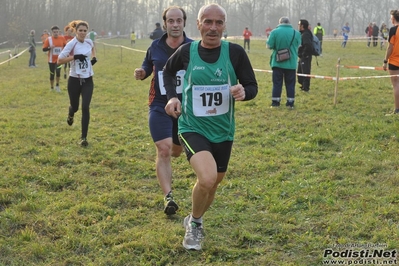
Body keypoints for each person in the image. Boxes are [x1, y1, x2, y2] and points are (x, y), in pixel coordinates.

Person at [163, 3, 258, 250]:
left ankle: (194, 218)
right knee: (206, 178)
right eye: (208, 22)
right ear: (198, 24)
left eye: (218, 23)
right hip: (192, 126)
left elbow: (252, 86)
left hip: (223, 131)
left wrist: (243, 92)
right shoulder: (187, 51)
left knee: (213, 183)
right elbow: (167, 71)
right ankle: (195, 225)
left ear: (224, 26)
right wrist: (172, 97)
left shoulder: (235, 53)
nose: (213, 28)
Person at [134, 6, 193, 215]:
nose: (175, 25)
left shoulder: (193, 47)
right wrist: (142, 72)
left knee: (176, 151)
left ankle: (175, 149)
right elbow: (148, 66)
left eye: (179, 21)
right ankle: (168, 196)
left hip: (185, 106)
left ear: (184, 22)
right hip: (159, 104)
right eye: (171, 21)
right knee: (164, 149)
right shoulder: (155, 46)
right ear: (165, 23)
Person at [57, 20, 97, 146]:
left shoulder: (89, 41)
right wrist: (74, 57)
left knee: (85, 107)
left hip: (88, 80)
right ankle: (71, 112)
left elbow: (92, 48)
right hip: (74, 80)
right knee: (75, 106)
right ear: (76, 31)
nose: (83, 33)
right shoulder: (71, 44)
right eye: (80, 30)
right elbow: (59, 60)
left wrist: (94, 58)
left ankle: (83, 138)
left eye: (85, 31)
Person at [267, 17, 301, 108]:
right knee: (290, 84)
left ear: (280, 22)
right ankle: (290, 103)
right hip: (291, 63)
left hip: (277, 62)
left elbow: (269, 45)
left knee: (277, 83)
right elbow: (299, 45)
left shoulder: (274, 32)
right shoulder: (296, 33)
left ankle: (275, 103)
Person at [383, 10, 399, 115]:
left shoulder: (393, 30)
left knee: (396, 85)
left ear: (393, 19)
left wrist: (385, 61)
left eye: (390, 18)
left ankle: (397, 110)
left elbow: (390, 47)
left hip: (394, 61)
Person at [42, 25, 67, 92]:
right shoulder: (49, 39)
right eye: (54, 32)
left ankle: (57, 86)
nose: (56, 33)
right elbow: (44, 49)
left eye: (57, 32)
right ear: (52, 32)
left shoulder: (62, 38)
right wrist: (50, 47)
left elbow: (66, 46)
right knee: (52, 74)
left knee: (58, 72)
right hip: (51, 60)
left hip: (59, 60)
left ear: (59, 32)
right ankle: (52, 87)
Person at [297, 19, 313, 92]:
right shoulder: (303, 33)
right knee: (300, 72)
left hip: (305, 56)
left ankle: (306, 88)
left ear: (302, 26)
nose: (298, 26)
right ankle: (303, 85)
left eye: (299, 25)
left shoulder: (306, 34)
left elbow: (308, 45)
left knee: (305, 72)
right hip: (302, 56)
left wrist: (304, 54)